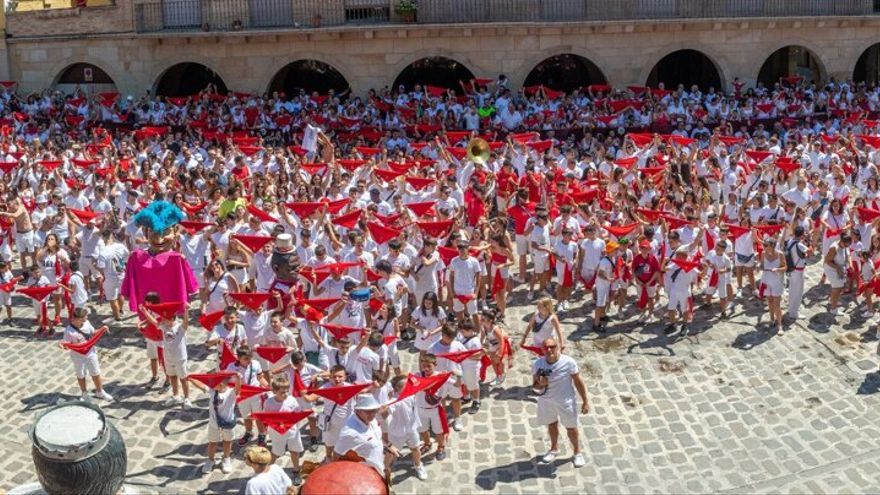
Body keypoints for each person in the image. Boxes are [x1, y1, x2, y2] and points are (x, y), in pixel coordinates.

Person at [531, 337, 589, 468]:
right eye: (546, 348)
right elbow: (534, 386)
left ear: (558, 347)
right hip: (546, 401)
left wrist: (585, 401)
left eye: (552, 346)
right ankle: (554, 448)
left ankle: (577, 452)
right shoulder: (537, 364)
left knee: (571, 428)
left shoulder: (568, 362)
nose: (549, 350)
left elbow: (578, 382)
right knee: (551, 425)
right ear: (542, 350)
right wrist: (541, 383)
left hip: (565, 401)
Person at [59, 307, 113, 401]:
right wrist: (62, 345)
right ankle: (84, 393)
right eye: (85, 316)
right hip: (77, 356)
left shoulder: (87, 323)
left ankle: (100, 391)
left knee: (95, 372)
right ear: (79, 318)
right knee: (81, 374)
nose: (87, 317)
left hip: (90, 352)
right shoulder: (69, 331)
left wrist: (102, 329)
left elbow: (93, 333)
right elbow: (66, 344)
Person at [261, 375, 306, 486]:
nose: (285, 394)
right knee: (275, 452)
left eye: (287, 391)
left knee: (294, 451)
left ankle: (296, 470)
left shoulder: (292, 400)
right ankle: (268, 472)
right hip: (277, 433)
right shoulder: (269, 403)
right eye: (282, 392)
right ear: (274, 391)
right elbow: (265, 417)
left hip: (292, 431)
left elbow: (297, 413)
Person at [382, 374, 427, 481]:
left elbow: (425, 386)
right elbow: (384, 414)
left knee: (415, 449)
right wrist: (383, 409)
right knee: (391, 453)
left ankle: (418, 465)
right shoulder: (394, 401)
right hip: (397, 433)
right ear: (398, 389)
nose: (410, 387)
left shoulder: (412, 395)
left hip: (412, 430)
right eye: (406, 386)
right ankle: (384, 468)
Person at [334, 394, 385, 476]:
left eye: (374, 410)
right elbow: (337, 456)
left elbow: (375, 437)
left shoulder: (371, 420)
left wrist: (388, 445)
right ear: (358, 410)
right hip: (365, 474)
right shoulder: (349, 433)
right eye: (368, 411)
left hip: (379, 466)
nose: (372, 414)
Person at [203, 372, 242, 475]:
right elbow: (200, 384)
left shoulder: (231, 393)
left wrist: (238, 378)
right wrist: (190, 378)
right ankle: (210, 460)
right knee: (212, 443)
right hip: (214, 423)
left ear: (224, 383)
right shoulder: (212, 391)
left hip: (227, 423)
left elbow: (238, 388)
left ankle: (226, 458)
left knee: (227, 441)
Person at [824, 232, 852, 315]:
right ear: (841, 241)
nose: (847, 246)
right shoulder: (834, 248)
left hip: (840, 268)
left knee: (839, 288)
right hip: (831, 269)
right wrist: (838, 268)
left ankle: (832, 300)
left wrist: (850, 264)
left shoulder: (845, 245)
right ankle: (833, 309)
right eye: (846, 245)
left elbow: (848, 255)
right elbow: (827, 261)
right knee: (837, 288)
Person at [785, 225, 809, 320]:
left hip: (792, 269)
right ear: (802, 235)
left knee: (792, 289)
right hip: (798, 271)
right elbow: (810, 252)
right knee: (798, 292)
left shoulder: (791, 241)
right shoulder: (800, 245)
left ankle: (791, 309)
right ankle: (794, 312)